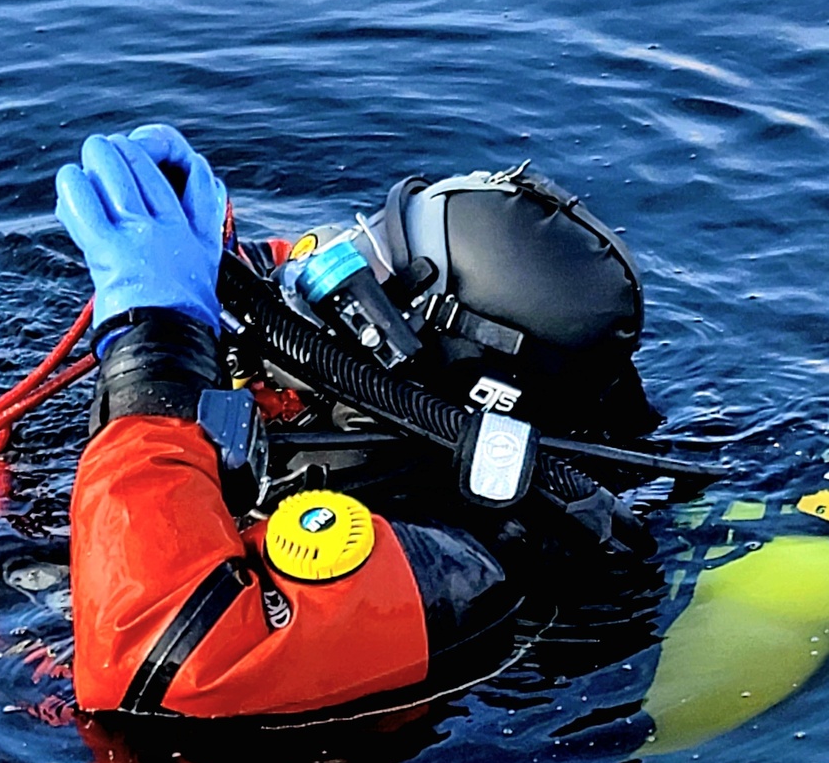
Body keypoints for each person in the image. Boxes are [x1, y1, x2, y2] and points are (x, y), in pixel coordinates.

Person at [55, 123, 658, 724]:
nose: (312, 274)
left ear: (443, 386)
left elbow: (162, 666)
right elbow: (293, 286)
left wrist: (155, 345)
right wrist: (207, 250)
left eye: (365, 282)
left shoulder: (463, 569)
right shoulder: (353, 392)